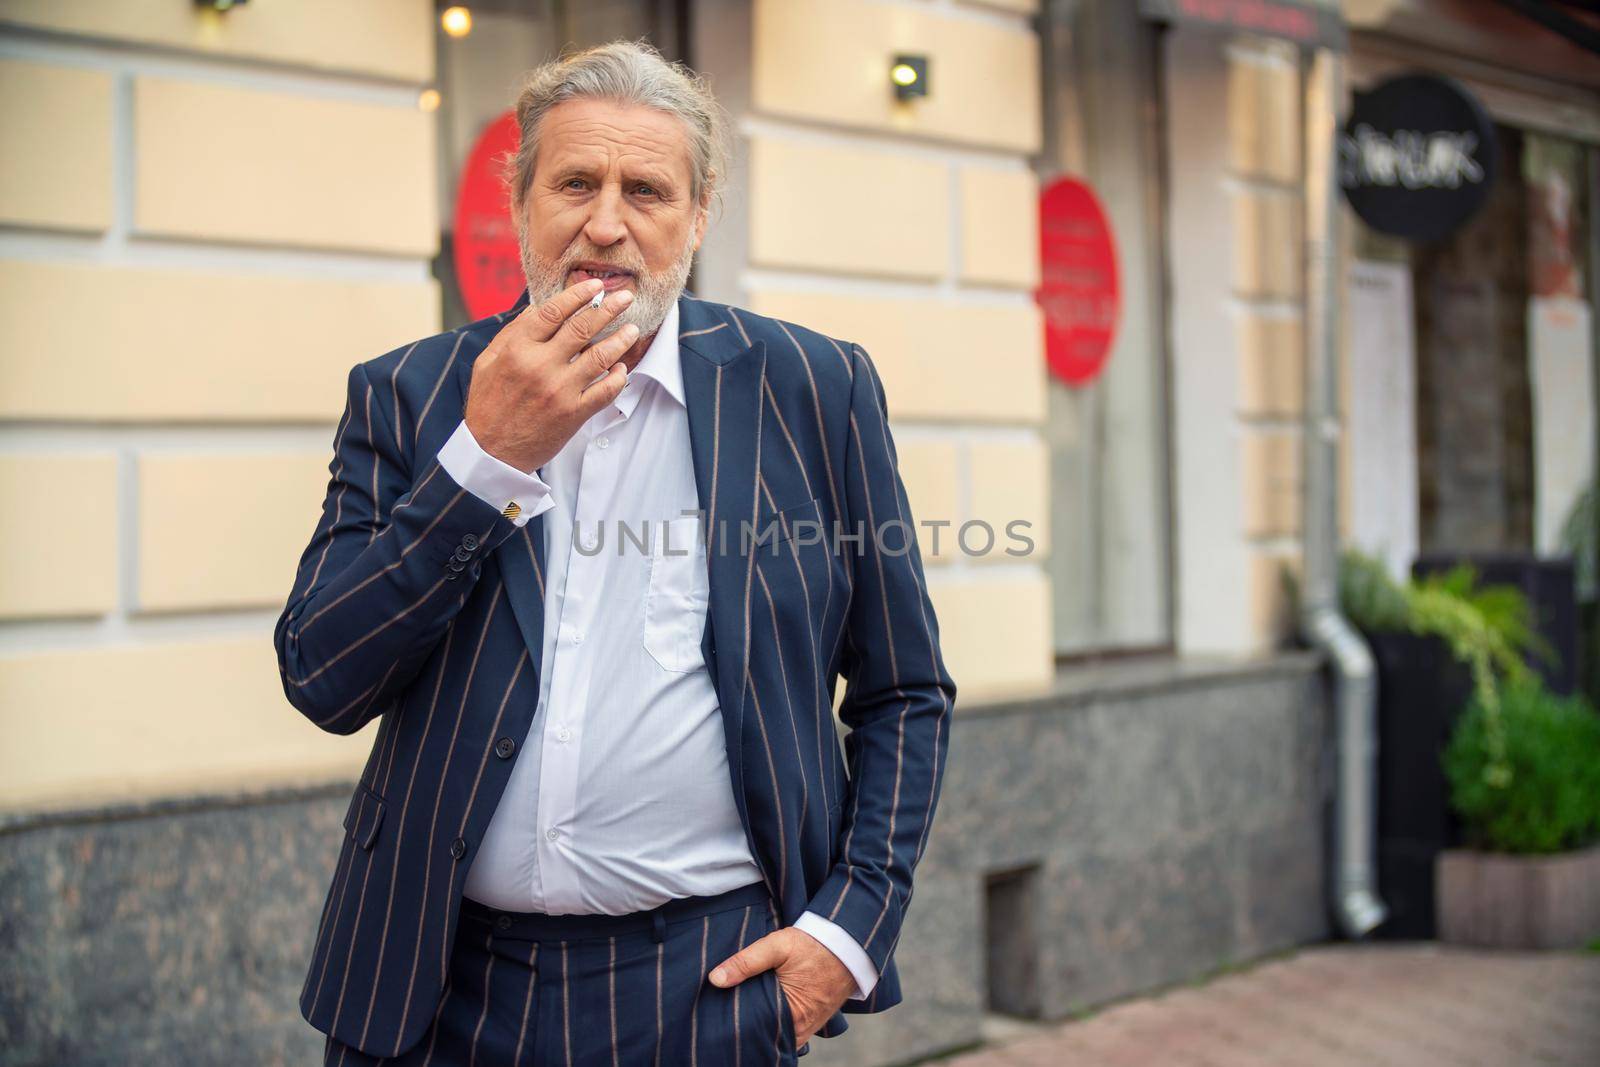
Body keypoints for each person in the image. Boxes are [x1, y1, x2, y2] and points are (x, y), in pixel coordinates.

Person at [275, 38, 954, 1067]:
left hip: (709, 988)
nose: (606, 223)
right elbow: (322, 674)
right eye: (576, 183)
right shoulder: (410, 394)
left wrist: (847, 929)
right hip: (436, 986)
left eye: (646, 189)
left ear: (699, 213)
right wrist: (484, 465)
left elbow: (904, 689)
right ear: (520, 203)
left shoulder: (814, 390)